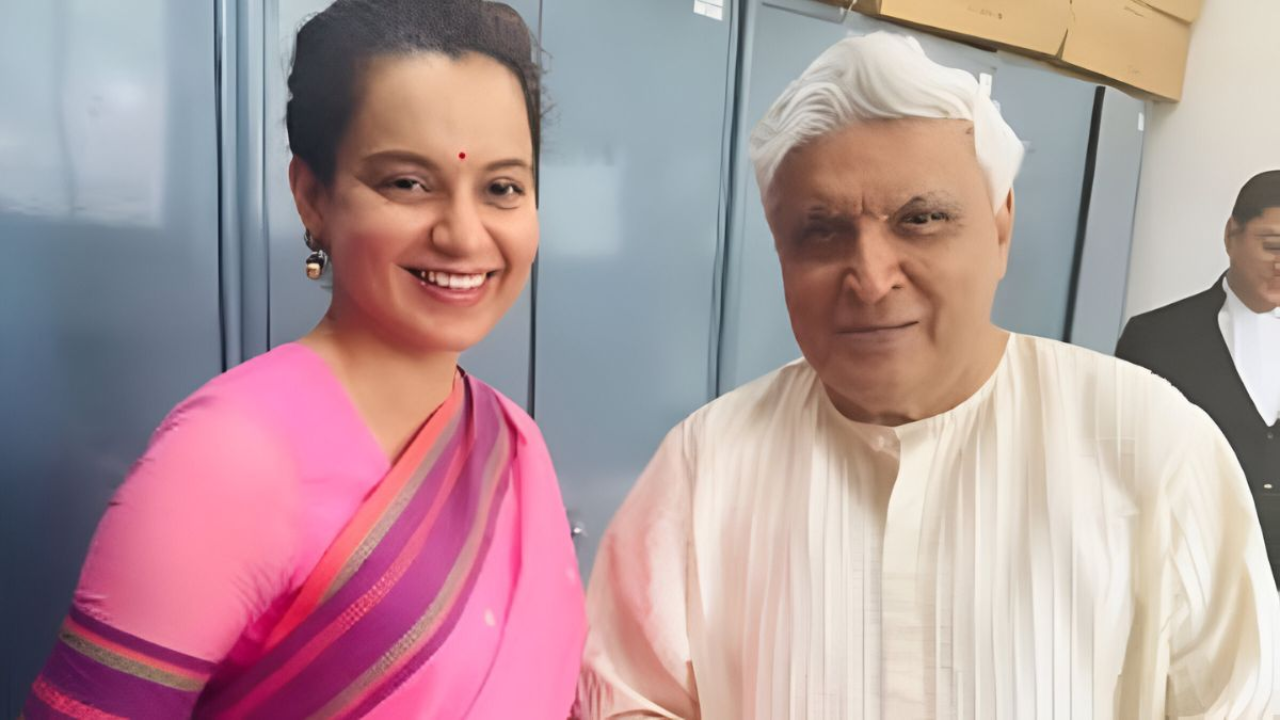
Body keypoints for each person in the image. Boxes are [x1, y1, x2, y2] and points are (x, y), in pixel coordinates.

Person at [577, 33, 1279, 719]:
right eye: (821, 231)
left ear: (1000, 228)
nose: (871, 278)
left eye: (922, 219)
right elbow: (629, 696)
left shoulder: (1152, 445)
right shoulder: (705, 464)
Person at [25, 1, 584, 717]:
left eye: (502, 188)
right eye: (407, 183)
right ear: (312, 197)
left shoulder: (516, 441)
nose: (464, 236)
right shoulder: (226, 459)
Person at [1116, 170, 1280, 582]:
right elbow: (1121, 466)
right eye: (1272, 246)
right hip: (1187, 576)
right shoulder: (1154, 337)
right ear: (1230, 235)